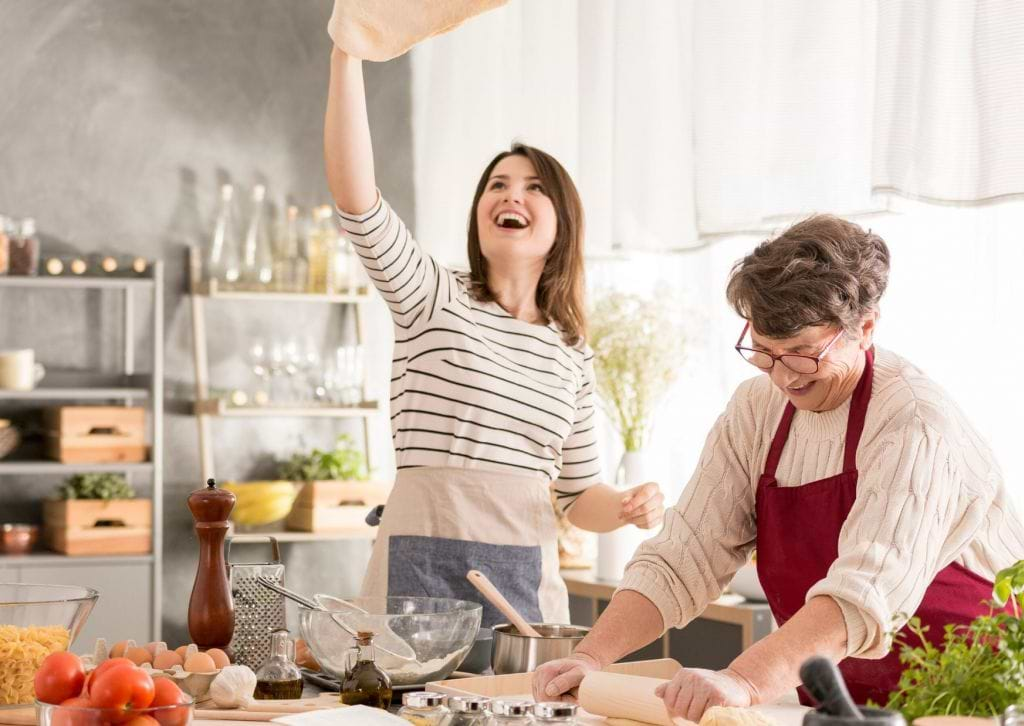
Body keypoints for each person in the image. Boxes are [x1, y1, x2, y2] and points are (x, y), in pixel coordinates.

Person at [533, 215, 1024, 717]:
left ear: (866, 329)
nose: (783, 376)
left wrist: (742, 680)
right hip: (838, 705)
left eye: (802, 354)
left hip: (967, 702)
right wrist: (591, 657)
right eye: (764, 352)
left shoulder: (914, 421)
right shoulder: (756, 410)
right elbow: (684, 555)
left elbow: (864, 592)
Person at [322, 46, 665, 628]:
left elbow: (580, 498)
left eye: (534, 187)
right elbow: (358, 197)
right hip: (414, 582)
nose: (511, 194)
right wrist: (347, 57)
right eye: (497, 185)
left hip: (522, 596)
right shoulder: (431, 294)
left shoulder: (571, 352)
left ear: (564, 223)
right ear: (479, 213)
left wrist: (629, 506)